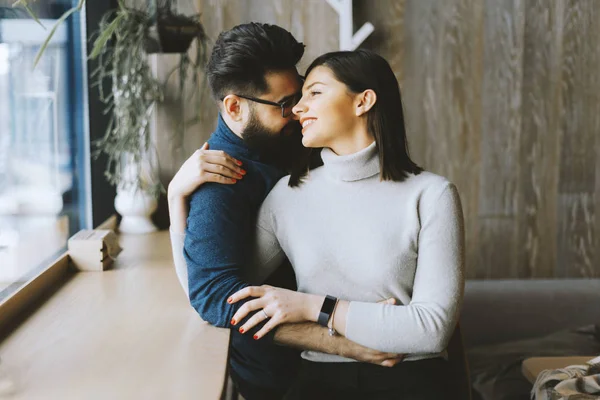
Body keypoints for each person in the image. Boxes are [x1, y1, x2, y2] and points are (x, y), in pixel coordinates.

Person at [172, 49, 465, 399]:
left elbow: (432, 329)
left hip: (413, 379)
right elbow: (211, 296)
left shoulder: (432, 194)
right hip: (317, 381)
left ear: (363, 101)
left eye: (314, 93)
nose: (297, 109)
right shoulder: (288, 195)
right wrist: (177, 201)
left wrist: (315, 307)